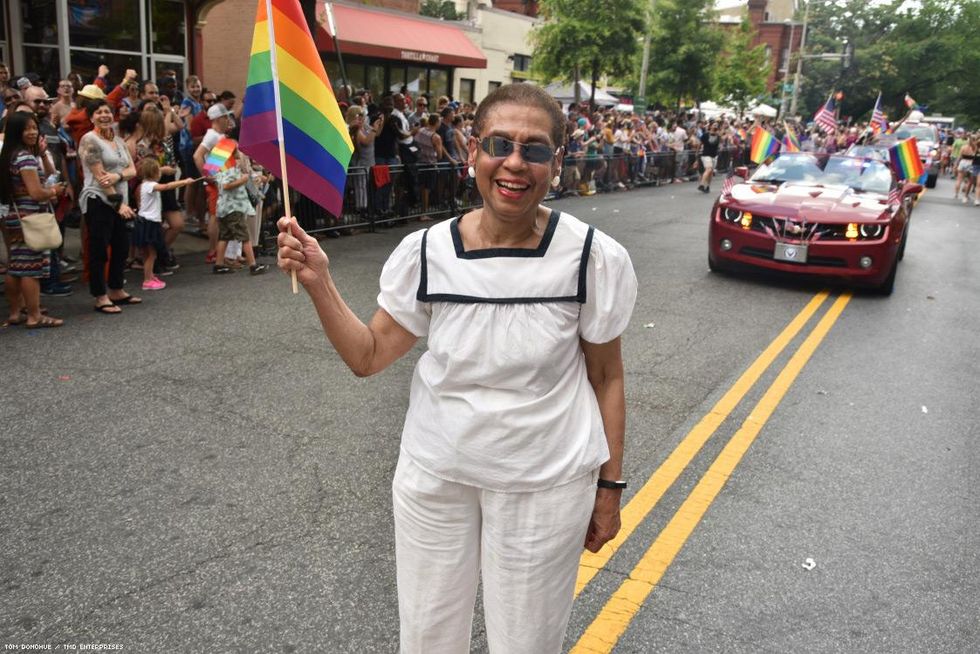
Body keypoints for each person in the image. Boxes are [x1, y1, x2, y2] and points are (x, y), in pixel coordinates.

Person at [277, 83, 637, 653]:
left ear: (558, 163)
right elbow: (368, 356)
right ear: (473, 152)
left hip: (543, 488)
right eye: (500, 143)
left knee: (525, 643)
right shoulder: (427, 251)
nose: (515, 163)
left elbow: (606, 377)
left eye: (535, 149)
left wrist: (610, 488)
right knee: (426, 638)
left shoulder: (593, 258)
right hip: (436, 480)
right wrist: (321, 281)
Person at [0, 111, 70, 328]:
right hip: (30, 217)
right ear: (16, 132)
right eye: (26, 128)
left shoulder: (9, 155)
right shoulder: (24, 157)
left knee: (16, 266)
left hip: (14, 215)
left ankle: (15, 312)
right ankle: (34, 315)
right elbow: (36, 192)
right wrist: (54, 191)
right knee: (31, 268)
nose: (32, 132)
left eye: (34, 127)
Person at [78, 99, 141, 314]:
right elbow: (101, 178)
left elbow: (133, 170)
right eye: (98, 112)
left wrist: (118, 175)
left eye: (107, 111)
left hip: (120, 200)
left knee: (121, 246)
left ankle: (116, 289)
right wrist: (118, 205)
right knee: (99, 249)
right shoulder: (90, 140)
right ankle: (100, 295)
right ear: (91, 117)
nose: (104, 115)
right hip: (99, 200)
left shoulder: (119, 141)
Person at [134, 158, 195, 290]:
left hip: (146, 222)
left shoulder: (144, 185)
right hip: (149, 223)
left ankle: (150, 276)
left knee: (149, 254)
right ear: (154, 173)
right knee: (151, 254)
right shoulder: (150, 185)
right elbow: (166, 186)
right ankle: (147, 280)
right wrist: (184, 181)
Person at [212, 142, 267, 276]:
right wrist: (242, 180)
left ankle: (218, 264)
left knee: (224, 236)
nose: (238, 153)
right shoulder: (229, 169)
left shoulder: (220, 168)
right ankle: (253, 265)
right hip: (233, 208)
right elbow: (226, 185)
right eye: (235, 150)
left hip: (223, 207)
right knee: (245, 236)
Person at [698, 121, 721, 193]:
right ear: (710, 126)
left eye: (717, 125)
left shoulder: (718, 136)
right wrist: (697, 152)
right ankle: (701, 185)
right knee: (708, 169)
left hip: (714, 155)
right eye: (714, 125)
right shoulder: (705, 135)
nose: (715, 126)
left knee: (711, 172)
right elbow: (700, 144)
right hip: (706, 155)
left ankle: (708, 186)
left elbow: (719, 144)